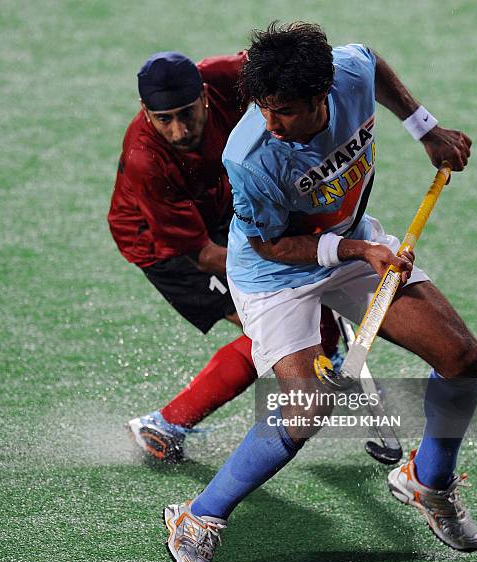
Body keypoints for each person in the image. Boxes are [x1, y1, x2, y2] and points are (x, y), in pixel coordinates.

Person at [164, 22, 477, 562]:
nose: (270, 121)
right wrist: (357, 248)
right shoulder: (252, 155)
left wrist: (423, 127)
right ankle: (197, 517)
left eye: (283, 110)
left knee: (460, 357)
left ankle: (427, 483)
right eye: (262, 107)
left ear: (323, 95)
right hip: (274, 272)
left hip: (352, 239)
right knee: (306, 407)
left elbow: (372, 60)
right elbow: (267, 243)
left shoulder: (350, 72)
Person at [108, 50, 342, 462]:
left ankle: (321, 363)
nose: (179, 131)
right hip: (171, 248)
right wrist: (301, 260)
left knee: (315, 327)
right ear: (145, 112)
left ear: (204, 94)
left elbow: (289, 67)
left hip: (222, 210)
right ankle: (165, 424)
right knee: (275, 328)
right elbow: (201, 253)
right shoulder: (146, 159)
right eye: (164, 119)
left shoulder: (227, 75)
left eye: (187, 113)